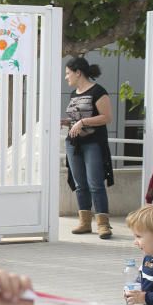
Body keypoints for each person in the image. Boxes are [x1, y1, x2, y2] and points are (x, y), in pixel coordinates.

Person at [63, 57, 114, 238]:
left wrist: (83, 122)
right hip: (73, 143)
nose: (66, 77)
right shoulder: (73, 94)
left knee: (95, 183)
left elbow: (106, 117)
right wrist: (66, 122)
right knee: (80, 184)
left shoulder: (98, 91)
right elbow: (75, 119)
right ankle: (84, 222)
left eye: (68, 73)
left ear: (78, 72)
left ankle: (103, 224)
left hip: (93, 143)